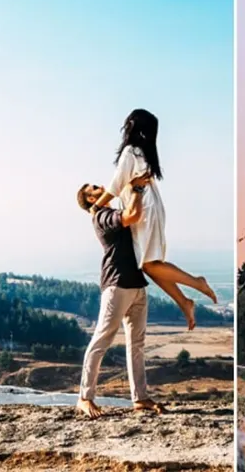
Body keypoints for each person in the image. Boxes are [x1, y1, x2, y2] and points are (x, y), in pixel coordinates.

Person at [88, 108, 217, 330]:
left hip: (145, 209)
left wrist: (97, 206)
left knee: (150, 264)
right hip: (152, 207)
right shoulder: (144, 152)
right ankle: (184, 301)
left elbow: (116, 184)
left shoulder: (131, 152)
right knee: (151, 264)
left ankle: (196, 283)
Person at [75, 172, 164, 419]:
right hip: (117, 285)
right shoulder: (102, 215)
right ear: (91, 200)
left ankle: (140, 398)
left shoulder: (110, 212)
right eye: (92, 187)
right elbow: (133, 216)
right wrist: (135, 189)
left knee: (137, 344)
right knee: (102, 340)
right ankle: (84, 397)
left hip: (136, 284)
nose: (98, 184)